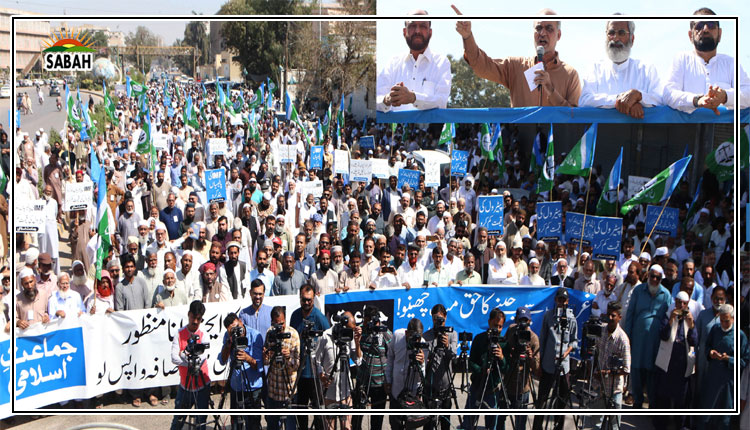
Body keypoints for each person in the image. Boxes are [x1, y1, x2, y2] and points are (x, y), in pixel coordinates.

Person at [455, 7, 581, 107]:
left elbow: (575, 118)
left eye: (549, 29)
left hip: (555, 140)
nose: (542, 33)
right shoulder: (515, 66)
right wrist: (467, 36)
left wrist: (551, 89)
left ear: (558, 35)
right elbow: (482, 66)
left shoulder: (570, 75)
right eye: (538, 28)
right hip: (521, 139)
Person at [663, 8, 750, 114]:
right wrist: (697, 100)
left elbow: (748, 92)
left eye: (711, 25)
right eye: (699, 26)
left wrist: (725, 96)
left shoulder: (731, 64)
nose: (705, 29)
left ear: (720, 34)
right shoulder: (681, 60)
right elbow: (668, 94)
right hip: (687, 129)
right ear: (691, 35)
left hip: (723, 129)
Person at [579, 19, 663, 118]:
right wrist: (620, 100)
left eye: (621, 33)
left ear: (632, 39)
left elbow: (659, 100)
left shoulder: (646, 70)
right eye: (611, 33)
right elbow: (585, 100)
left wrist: (639, 96)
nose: (615, 38)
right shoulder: (595, 69)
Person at [377, 10, 451, 112]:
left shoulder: (441, 63)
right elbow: (376, 99)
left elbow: (441, 101)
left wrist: (413, 97)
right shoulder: (393, 64)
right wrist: (387, 99)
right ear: (404, 32)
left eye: (423, 26)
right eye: (412, 26)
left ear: (430, 32)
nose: (417, 31)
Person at [623, 264, 673, 409]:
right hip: (638, 338)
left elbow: (669, 316)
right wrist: (628, 336)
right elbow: (630, 314)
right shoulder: (638, 290)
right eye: (652, 276)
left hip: (655, 340)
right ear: (648, 276)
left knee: (652, 370)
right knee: (637, 368)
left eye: (658, 277)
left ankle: (652, 401)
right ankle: (637, 401)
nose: (655, 279)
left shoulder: (666, 294)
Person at [696, 304, 749, 430]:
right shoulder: (715, 329)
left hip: (728, 383)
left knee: (724, 417)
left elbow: (744, 361)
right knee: (706, 414)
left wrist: (728, 359)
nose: (724, 324)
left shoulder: (740, 336)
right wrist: (711, 353)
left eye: (727, 321)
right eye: (722, 320)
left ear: (733, 319)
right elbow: (707, 347)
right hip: (712, 378)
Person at [533, 287, 577, 430]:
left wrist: (567, 352)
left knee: (561, 401)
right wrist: (539, 364)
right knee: (542, 400)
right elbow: (543, 339)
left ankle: (558, 427)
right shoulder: (548, 316)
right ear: (555, 300)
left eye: (564, 300)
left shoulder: (572, 319)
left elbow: (574, 341)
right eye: (559, 299)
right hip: (548, 365)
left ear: (567, 301)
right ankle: (537, 427)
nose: (561, 303)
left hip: (564, 367)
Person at [652, 291, 697, 428]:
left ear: (687, 304)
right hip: (668, 364)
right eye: (679, 302)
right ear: (675, 302)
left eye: (684, 303)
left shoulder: (690, 319)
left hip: (682, 365)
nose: (681, 305)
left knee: (681, 400)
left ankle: (681, 425)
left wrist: (691, 324)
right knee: (663, 397)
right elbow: (663, 335)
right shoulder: (667, 316)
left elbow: (694, 340)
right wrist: (671, 319)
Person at [290, 284, 331, 430]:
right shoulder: (295, 316)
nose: (306, 303)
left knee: (318, 410)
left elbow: (329, 339)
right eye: (304, 299)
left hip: (315, 372)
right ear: (300, 298)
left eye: (309, 300)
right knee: (300, 409)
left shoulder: (319, 317)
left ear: (313, 299)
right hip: (299, 372)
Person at [462, 308, 508, 430]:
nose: (497, 329)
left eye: (500, 327)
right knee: (468, 424)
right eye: (495, 325)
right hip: (477, 387)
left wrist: (502, 357)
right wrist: (481, 370)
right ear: (489, 322)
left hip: (493, 391)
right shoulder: (479, 339)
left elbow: (506, 368)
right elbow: (471, 362)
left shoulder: (503, 343)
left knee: (492, 426)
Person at [316, 311, 362, 430]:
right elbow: (316, 360)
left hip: (345, 392)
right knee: (329, 427)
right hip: (329, 391)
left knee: (346, 427)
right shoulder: (325, 336)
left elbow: (358, 361)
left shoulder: (349, 336)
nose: (349, 332)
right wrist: (321, 375)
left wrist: (357, 343)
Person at [170, 301, 211, 430]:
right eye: (193, 317)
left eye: (199, 319)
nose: (195, 321)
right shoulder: (179, 333)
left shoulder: (204, 335)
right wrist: (189, 360)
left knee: (200, 423)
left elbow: (202, 357)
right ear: (189, 315)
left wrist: (184, 355)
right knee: (178, 422)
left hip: (202, 385)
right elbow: (174, 358)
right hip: (185, 385)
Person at [219, 312, 264, 430]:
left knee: (253, 424)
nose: (236, 331)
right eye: (232, 330)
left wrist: (247, 358)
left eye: (237, 326)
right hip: (236, 386)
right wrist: (228, 344)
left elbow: (259, 366)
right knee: (236, 425)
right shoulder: (228, 336)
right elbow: (222, 360)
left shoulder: (255, 335)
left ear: (241, 321)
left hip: (252, 387)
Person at [591, 302, 630, 430]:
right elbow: (594, 353)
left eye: (613, 316)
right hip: (599, 386)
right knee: (596, 424)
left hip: (614, 390)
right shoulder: (601, 331)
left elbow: (626, 368)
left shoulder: (623, 339)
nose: (610, 318)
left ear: (620, 317)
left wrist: (606, 372)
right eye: (608, 315)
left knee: (614, 425)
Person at [352, 305, 392, 430]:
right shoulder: (361, 331)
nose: (366, 324)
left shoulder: (385, 332)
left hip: (379, 385)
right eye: (364, 321)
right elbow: (356, 357)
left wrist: (389, 381)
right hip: (362, 382)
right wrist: (357, 341)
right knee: (357, 419)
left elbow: (392, 356)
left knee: (377, 421)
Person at [501, 306, 539, 430]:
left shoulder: (533, 338)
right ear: (516, 320)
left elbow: (537, 368)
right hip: (508, 380)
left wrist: (530, 356)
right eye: (520, 320)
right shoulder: (511, 330)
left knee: (520, 423)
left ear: (530, 320)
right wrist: (510, 350)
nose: (523, 323)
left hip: (523, 384)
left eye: (525, 320)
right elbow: (503, 349)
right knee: (500, 417)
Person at [386, 318, 428, 430]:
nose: (416, 341)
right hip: (396, 391)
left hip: (412, 394)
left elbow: (422, 376)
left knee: (411, 426)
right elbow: (390, 358)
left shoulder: (423, 345)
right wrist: (388, 380)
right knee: (395, 424)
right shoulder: (397, 336)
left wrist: (422, 363)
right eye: (412, 337)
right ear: (406, 333)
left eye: (418, 338)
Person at [263, 306, 300, 430]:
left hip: (288, 391)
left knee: (290, 426)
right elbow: (266, 362)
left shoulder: (293, 335)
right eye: (277, 324)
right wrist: (267, 355)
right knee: (272, 425)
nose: (280, 327)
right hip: (274, 390)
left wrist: (289, 357)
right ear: (272, 322)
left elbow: (297, 366)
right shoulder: (270, 333)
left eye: (282, 324)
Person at [422, 305, 457, 430]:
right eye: (435, 319)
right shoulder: (426, 336)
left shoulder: (452, 334)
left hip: (446, 387)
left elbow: (453, 356)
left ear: (445, 317)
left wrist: (447, 345)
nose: (438, 322)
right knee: (428, 423)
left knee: (445, 423)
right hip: (430, 387)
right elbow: (423, 361)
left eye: (440, 319)